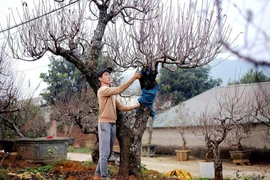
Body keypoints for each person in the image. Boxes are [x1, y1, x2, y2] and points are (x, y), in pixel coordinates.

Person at [94, 67, 141, 180]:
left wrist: (136, 106)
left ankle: (97, 175)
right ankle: (104, 177)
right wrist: (133, 78)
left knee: (108, 152)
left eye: (109, 75)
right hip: (104, 124)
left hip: (112, 124)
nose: (109, 76)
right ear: (100, 78)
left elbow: (121, 107)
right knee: (104, 154)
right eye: (106, 75)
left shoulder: (112, 94)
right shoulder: (103, 90)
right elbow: (119, 89)